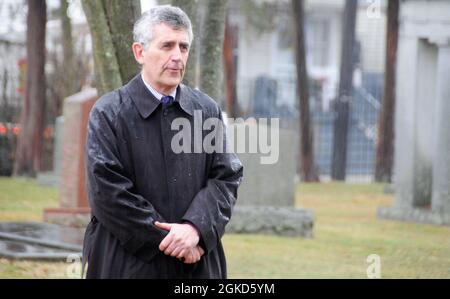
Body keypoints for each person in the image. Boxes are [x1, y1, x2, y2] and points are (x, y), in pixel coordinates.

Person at [82, 5, 243, 278]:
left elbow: (225, 178)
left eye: (183, 47)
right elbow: (107, 191)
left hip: (197, 264)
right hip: (128, 265)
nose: (177, 56)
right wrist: (172, 241)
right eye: (167, 46)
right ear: (139, 52)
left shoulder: (207, 111)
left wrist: (195, 229)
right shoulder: (109, 113)